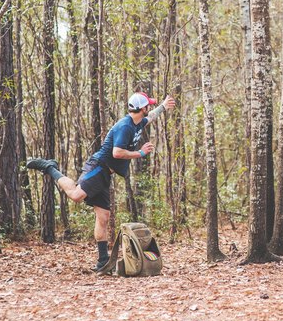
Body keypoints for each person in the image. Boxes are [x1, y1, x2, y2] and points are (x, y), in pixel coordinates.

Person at [26, 92, 175, 270]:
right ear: (141, 108)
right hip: (98, 167)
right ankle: (49, 167)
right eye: (147, 105)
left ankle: (103, 261)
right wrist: (140, 153)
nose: (148, 108)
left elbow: (150, 117)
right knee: (75, 194)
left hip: (107, 174)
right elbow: (117, 152)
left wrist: (164, 107)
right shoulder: (125, 127)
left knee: (103, 217)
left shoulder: (138, 122)